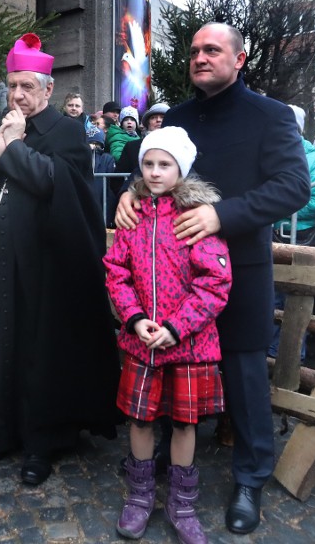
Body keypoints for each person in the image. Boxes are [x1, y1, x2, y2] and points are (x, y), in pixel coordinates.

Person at [115, 23, 311, 534]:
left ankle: (250, 477)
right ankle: (164, 461)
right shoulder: (176, 117)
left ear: (239, 58)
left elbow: (294, 186)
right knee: (171, 370)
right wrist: (129, 194)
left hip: (240, 267)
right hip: (172, 280)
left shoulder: (269, 115)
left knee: (246, 376)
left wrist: (222, 215)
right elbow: (141, 166)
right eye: (195, 50)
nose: (200, 57)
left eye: (212, 49)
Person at [0, 33, 120, 486]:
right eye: (12, 85)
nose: (17, 95)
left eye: (27, 87)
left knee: (41, 352)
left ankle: (42, 442)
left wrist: (14, 149)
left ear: (48, 89)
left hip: (46, 270)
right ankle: (2, 430)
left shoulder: (69, 132)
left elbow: (56, 185)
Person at [105, 126, 232, 543]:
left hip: (190, 345)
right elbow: (117, 272)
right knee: (140, 419)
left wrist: (178, 327)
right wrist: (135, 318)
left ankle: (182, 502)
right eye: (148, 163)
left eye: (165, 164)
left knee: (184, 423)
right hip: (142, 341)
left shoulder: (196, 217)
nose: (155, 172)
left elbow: (215, 282)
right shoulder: (132, 214)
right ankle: (140, 496)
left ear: (182, 168)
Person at [268, 104, 315, 360]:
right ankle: (269, 354)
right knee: (269, 297)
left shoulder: (312, 158)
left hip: (301, 237)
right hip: (270, 234)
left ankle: (294, 357)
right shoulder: (268, 152)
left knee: (296, 298)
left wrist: (277, 206)